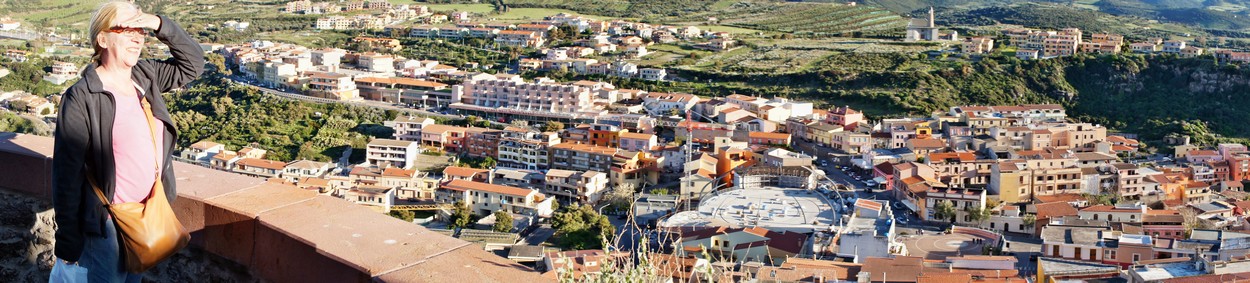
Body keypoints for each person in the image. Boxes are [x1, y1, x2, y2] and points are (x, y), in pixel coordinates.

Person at [51, 1, 204, 281]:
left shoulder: (146, 77)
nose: (137, 36)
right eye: (126, 28)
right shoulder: (82, 97)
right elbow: (66, 175)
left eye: (140, 30)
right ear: (102, 39)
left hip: (148, 217)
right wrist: (69, 241)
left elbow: (193, 64)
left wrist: (158, 23)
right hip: (107, 227)